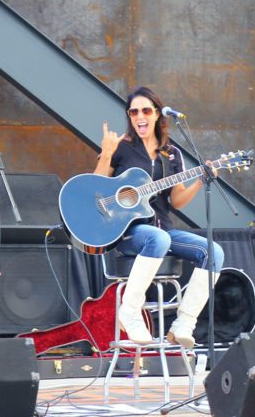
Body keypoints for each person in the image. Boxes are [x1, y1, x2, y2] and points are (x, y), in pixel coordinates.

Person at [94, 86, 224, 349]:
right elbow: (94, 187)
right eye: (133, 112)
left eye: (145, 110)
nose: (139, 116)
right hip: (129, 232)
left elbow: (176, 201)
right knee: (158, 238)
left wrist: (200, 181)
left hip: (162, 229)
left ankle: (184, 323)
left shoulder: (171, 153)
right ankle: (129, 312)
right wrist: (107, 153)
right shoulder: (120, 148)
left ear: (156, 114)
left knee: (214, 251)